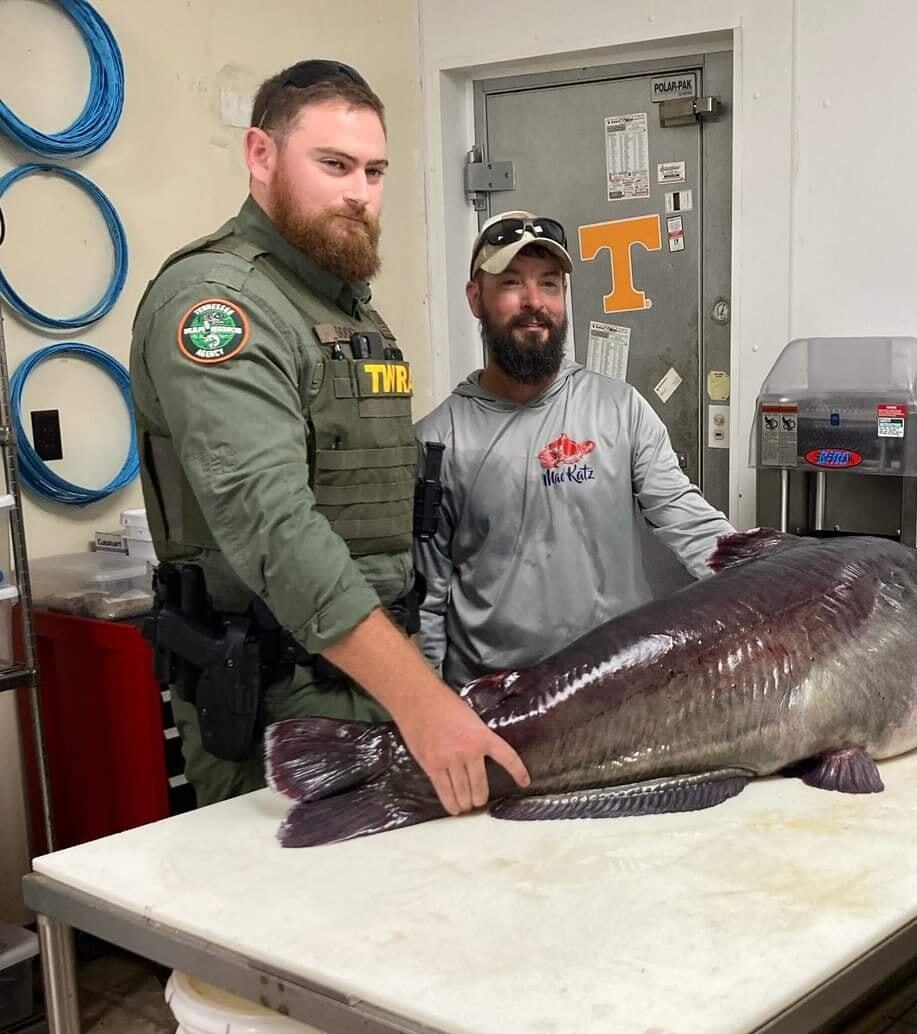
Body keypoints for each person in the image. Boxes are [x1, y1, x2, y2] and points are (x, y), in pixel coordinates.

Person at [130, 60, 528, 815]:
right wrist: (424, 700)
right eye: (335, 165)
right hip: (277, 700)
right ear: (261, 155)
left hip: (370, 678)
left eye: (375, 172)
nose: (360, 193)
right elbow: (274, 525)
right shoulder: (218, 306)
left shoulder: (344, 309)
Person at [414, 210, 736, 690]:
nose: (533, 301)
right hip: (500, 698)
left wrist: (770, 576)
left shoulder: (620, 409)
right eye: (511, 283)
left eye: (549, 283)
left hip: (618, 682)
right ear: (475, 298)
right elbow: (425, 599)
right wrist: (430, 707)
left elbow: (689, 521)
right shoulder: (438, 440)